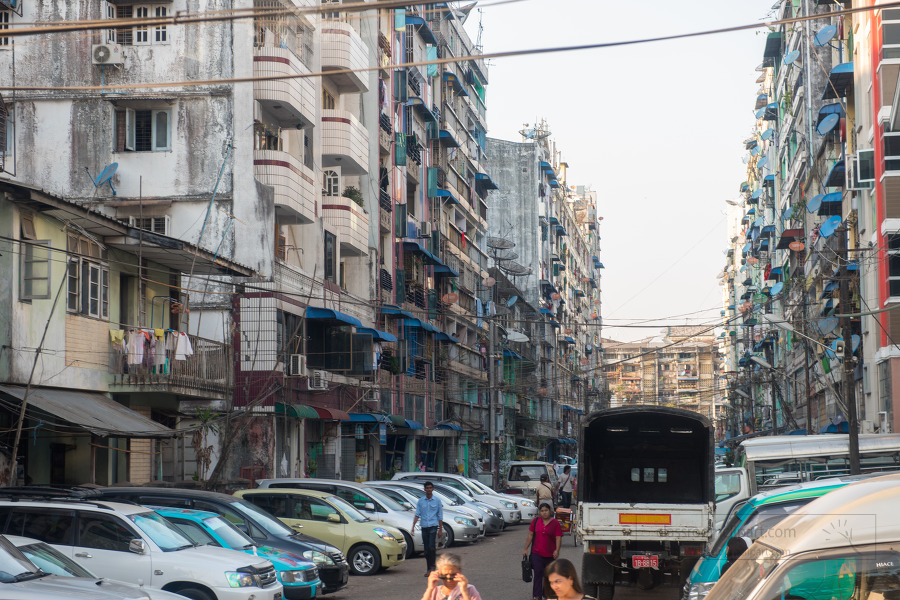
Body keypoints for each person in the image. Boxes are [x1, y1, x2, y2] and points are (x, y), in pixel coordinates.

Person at [523, 503, 563, 600]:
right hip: (537, 553)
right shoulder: (536, 521)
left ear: (550, 511)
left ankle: (547, 594)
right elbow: (530, 535)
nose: (544, 513)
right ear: (539, 512)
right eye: (542, 511)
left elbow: (558, 538)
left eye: (546, 510)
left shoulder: (555, 523)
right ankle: (537, 595)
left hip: (550, 554)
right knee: (538, 573)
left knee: (549, 575)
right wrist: (525, 549)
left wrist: (557, 550)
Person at [412, 480, 444, 576]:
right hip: (424, 526)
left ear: (433, 489)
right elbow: (417, 514)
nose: (429, 490)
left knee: (431, 547)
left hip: (433, 526)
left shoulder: (437, 501)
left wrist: (440, 529)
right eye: (427, 488)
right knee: (426, 549)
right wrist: (413, 526)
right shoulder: (421, 501)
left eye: (430, 488)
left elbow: (440, 515)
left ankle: (433, 567)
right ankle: (428, 568)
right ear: (424, 489)